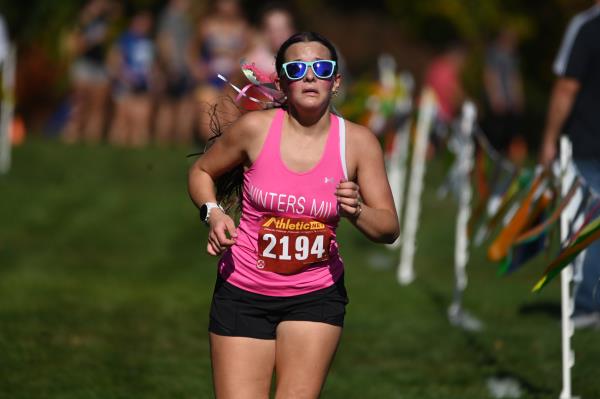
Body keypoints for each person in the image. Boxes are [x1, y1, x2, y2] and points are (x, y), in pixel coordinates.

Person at [188, 32, 399, 398]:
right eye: (297, 68)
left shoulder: (359, 143)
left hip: (315, 296)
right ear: (283, 82)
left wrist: (357, 210)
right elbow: (202, 172)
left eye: (321, 67)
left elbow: (388, 227)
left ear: (335, 81)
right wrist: (214, 213)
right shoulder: (255, 130)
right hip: (243, 292)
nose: (310, 76)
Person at [540, 0, 600, 328]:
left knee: (588, 226)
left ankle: (587, 304)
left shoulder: (588, 28)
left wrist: (549, 138)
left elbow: (566, 86)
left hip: (589, 145)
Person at [189, 0, 250, 142]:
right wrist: (196, 67)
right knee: (208, 117)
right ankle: (208, 153)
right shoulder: (207, 25)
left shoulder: (242, 27)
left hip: (233, 79)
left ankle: (226, 155)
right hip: (210, 78)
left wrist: (241, 63)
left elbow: (249, 51)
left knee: (231, 118)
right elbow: (192, 49)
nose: (227, 6)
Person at [62, 0, 115, 144]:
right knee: (79, 105)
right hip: (83, 65)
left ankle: (92, 140)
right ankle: (71, 137)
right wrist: (91, 40)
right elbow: (74, 46)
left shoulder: (104, 21)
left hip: (99, 66)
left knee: (97, 106)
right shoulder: (80, 22)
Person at [107, 10, 156, 147]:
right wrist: (123, 76)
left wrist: (153, 78)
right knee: (121, 119)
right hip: (124, 85)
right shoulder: (124, 39)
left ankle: (138, 149)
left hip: (143, 85)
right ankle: (115, 149)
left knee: (141, 120)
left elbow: (151, 65)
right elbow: (114, 60)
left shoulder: (149, 42)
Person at [154, 0, 195, 146]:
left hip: (182, 67)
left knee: (182, 104)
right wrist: (169, 66)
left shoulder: (183, 18)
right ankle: (164, 142)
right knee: (168, 106)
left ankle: (178, 142)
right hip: (174, 67)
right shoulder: (170, 17)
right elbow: (164, 41)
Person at [482, 28, 526, 161]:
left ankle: (506, 155)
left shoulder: (512, 56)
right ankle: (490, 154)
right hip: (498, 98)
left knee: (510, 130)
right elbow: (490, 75)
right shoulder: (494, 53)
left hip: (509, 100)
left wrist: (518, 96)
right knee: (495, 130)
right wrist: (495, 96)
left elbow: (514, 77)